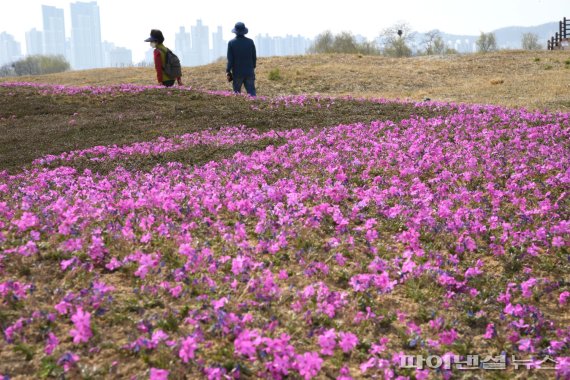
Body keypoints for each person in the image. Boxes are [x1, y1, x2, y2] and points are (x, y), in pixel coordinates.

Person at [226, 22, 257, 96]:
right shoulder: (250, 42)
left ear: (235, 31)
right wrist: (253, 66)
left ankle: (238, 107)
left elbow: (230, 59)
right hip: (249, 71)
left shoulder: (231, 43)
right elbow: (254, 57)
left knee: (236, 94)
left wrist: (228, 70)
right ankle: (255, 106)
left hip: (237, 72)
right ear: (244, 31)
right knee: (252, 93)